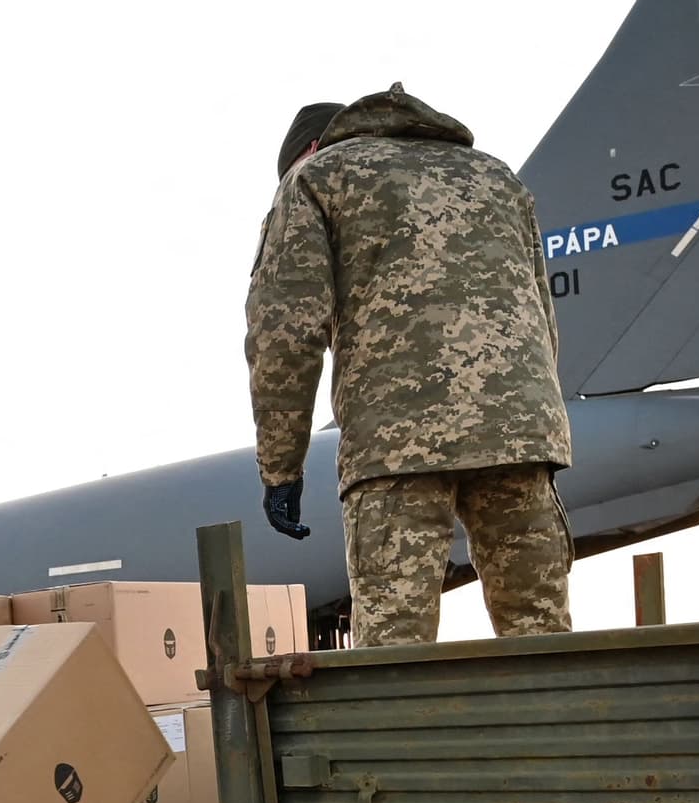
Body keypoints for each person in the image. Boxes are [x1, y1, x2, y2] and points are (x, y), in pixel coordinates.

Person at [245, 85, 577, 646]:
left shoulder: (316, 179)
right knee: (541, 635)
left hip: (398, 445)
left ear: (309, 150)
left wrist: (282, 468)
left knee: (395, 648)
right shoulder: (496, 177)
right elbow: (544, 316)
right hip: (521, 435)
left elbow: (285, 334)